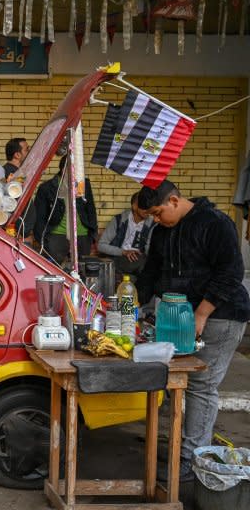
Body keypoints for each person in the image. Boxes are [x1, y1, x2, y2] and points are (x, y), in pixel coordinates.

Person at [136, 180, 250, 482]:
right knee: (174, 380)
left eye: (159, 213)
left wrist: (202, 313)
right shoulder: (162, 232)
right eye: (152, 217)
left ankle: (191, 460)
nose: (156, 221)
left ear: (174, 200)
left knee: (201, 384)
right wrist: (134, 307)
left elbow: (231, 273)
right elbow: (151, 272)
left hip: (221, 315)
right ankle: (181, 446)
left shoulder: (215, 223)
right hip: (178, 317)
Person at [32, 156, 98, 265]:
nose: (79, 174)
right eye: (75, 170)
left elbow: (91, 210)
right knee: (55, 270)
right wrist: (43, 241)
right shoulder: (47, 187)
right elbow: (39, 217)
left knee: (81, 271)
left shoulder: (83, 184)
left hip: (82, 235)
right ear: (64, 170)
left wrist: (92, 235)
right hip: (56, 235)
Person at [97, 191, 156, 276]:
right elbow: (101, 246)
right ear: (134, 206)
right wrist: (124, 252)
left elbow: (149, 250)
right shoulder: (119, 220)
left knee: (146, 263)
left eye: (149, 206)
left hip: (138, 260)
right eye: (144, 206)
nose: (148, 210)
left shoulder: (151, 224)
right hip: (117, 258)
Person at [3, 137, 35, 242]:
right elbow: (10, 206)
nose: (30, 152)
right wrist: (19, 233)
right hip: (17, 237)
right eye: (27, 149)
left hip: (22, 233)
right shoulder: (10, 174)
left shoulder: (19, 173)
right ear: (17, 155)